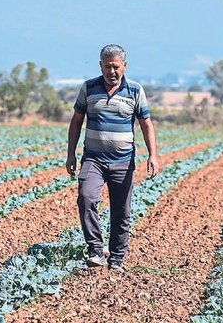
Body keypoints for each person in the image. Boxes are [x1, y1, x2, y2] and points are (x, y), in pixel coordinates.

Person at [66, 44, 158, 273]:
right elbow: (76, 121)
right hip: (93, 160)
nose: (112, 71)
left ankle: (116, 258)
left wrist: (153, 155)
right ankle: (95, 250)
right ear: (100, 66)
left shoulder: (135, 91)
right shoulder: (88, 88)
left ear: (124, 66)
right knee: (86, 198)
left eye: (116, 67)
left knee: (121, 211)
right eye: (107, 66)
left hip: (123, 161)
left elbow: (146, 124)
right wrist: (71, 153)